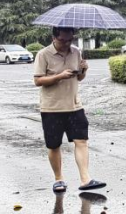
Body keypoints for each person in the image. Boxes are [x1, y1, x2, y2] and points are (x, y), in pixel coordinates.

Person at [33, 27, 106, 193]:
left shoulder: (76, 52)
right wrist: (59, 76)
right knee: (54, 145)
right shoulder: (43, 54)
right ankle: (58, 179)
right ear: (54, 37)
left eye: (70, 40)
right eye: (62, 40)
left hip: (75, 106)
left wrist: (84, 70)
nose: (66, 43)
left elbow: (79, 78)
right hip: (52, 107)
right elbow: (38, 81)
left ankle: (85, 179)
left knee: (82, 141)